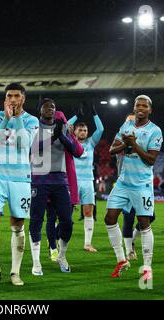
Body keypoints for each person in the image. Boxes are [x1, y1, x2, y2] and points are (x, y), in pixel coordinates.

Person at [0, 83, 39, 286]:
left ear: (23, 98)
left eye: (17, 95)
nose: (13, 99)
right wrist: (6, 119)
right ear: (5, 99)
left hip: (20, 179)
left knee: (18, 225)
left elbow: (24, 143)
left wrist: (15, 119)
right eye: (10, 95)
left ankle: (15, 273)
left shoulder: (31, 120)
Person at [105, 95, 163, 282]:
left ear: (150, 110)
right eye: (138, 105)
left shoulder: (155, 131)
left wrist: (133, 144)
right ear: (134, 107)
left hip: (141, 184)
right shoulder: (126, 126)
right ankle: (122, 260)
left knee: (144, 223)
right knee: (109, 217)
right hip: (123, 181)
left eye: (144, 105)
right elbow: (112, 150)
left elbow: (151, 160)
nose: (141, 108)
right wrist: (125, 144)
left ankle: (147, 267)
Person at [29, 98, 83, 276]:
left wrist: (62, 135)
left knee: (67, 221)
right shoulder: (33, 127)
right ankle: (36, 263)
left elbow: (76, 151)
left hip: (60, 181)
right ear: (40, 110)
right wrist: (54, 136)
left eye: (53, 106)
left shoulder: (64, 127)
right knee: (37, 220)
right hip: (39, 179)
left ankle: (61, 255)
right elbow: (32, 150)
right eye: (46, 106)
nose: (50, 109)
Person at [68, 104, 104, 252]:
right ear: (75, 132)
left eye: (85, 130)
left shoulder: (91, 143)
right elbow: (66, 126)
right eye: (80, 130)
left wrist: (95, 114)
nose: (83, 132)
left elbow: (100, 129)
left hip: (88, 181)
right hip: (72, 181)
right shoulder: (70, 141)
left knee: (88, 211)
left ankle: (87, 243)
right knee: (66, 212)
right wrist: (76, 114)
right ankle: (58, 240)